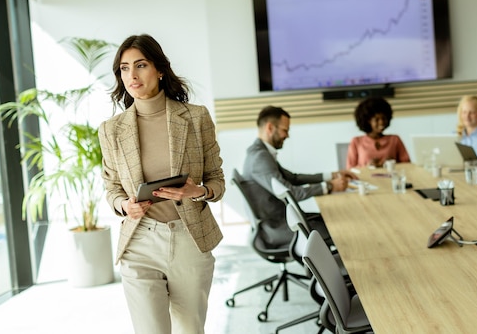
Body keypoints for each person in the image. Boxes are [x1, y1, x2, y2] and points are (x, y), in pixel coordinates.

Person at [98, 34, 225, 334]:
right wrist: (123, 205)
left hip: (189, 238)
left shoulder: (196, 118)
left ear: (160, 70)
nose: (132, 75)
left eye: (140, 65)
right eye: (124, 68)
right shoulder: (111, 130)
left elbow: (217, 180)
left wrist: (199, 192)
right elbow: (112, 187)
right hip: (139, 242)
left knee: (189, 329)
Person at [242, 105, 357, 246]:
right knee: (342, 228)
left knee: (335, 219)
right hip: (278, 227)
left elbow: (294, 178)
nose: (287, 136)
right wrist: (329, 186)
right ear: (270, 128)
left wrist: (331, 175)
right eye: (285, 130)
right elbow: (290, 193)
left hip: (283, 220)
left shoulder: (260, 153)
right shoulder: (260, 158)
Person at [347, 96, 410, 169]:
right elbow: (350, 169)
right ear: (368, 121)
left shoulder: (395, 139)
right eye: (377, 119)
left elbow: (407, 165)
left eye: (384, 118)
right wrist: (368, 167)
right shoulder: (356, 141)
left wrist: (392, 163)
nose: (381, 122)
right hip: (365, 179)